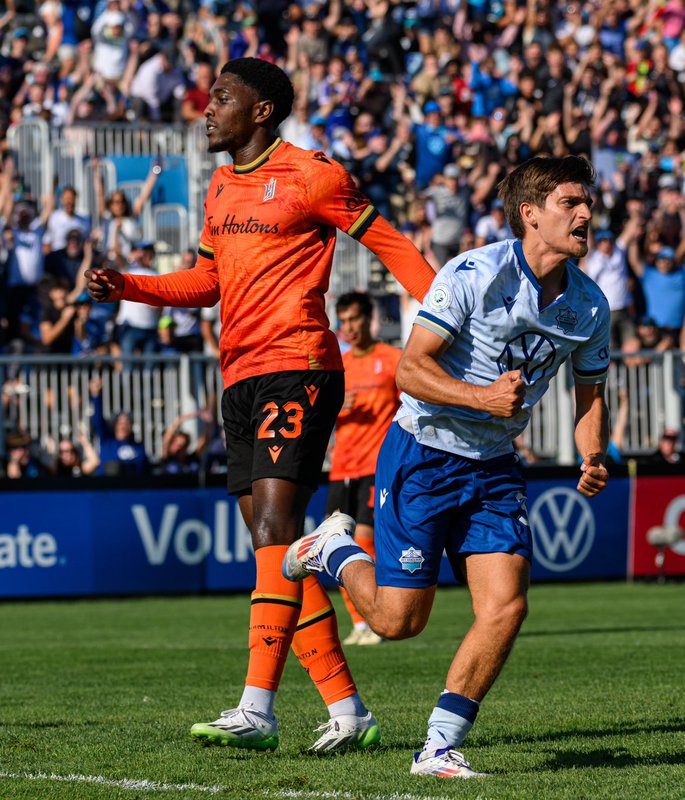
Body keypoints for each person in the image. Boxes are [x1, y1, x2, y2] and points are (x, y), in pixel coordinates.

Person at [85, 57, 436, 752]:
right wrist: (128, 285)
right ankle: (348, 709)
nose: (206, 110)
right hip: (240, 377)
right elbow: (205, 282)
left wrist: (445, 319)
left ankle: (256, 708)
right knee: (278, 552)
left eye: (221, 98)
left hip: (298, 367)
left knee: (276, 532)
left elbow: (390, 243)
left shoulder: (314, 174)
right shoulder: (219, 187)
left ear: (261, 111)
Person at [283, 155, 611, 778]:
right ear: (530, 214)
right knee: (396, 622)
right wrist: (482, 396)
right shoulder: (473, 273)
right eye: (571, 202)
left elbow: (589, 395)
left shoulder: (591, 306)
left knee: (507, 606)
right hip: (423, 454)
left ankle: (438, 746)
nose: (586, 214)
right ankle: (335, 551)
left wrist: (593, 454)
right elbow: (411, 370)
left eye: (587, 202)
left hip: (493, 466)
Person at [327, 292, 404, 647]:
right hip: (341, 468)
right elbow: (318, 412)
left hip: (376, 468)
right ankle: (360, 622)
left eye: (355, 319)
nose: (350, 327)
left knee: (363, 541)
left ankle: (376, 617)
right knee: (335, 547)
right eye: (344, 320)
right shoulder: (339, 366)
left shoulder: (392, 360)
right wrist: (337, 406)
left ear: (369, 319)